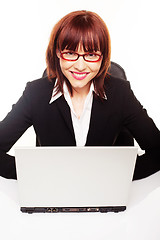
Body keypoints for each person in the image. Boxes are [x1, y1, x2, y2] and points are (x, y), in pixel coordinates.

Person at [0, 10, 160, 180]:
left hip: (104, 193)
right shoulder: (35, 94)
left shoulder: (121, 94)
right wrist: (38, 175)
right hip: (54, 194)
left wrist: (117, 177)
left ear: (102, 57)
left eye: (91, 55)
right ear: (57, 52)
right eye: (70, 53)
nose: (80, 66)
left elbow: (157, 151)